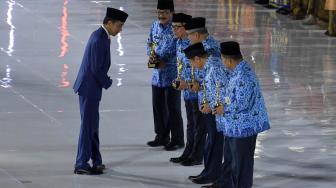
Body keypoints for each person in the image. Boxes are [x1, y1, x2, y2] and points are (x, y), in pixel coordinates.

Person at [73, 7, 128, 175]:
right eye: (119, 25)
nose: (120, 29)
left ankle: (96, 160)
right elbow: (96, 68)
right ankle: (81, 163)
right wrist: (107, 82)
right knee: (88, 127)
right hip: (89, 88)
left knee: (93, 126)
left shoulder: (103, 36)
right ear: (109, 23)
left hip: (91, 88)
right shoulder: (99, 39)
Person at [212, 41, 270, 188]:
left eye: (223, 59)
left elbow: (241, 104)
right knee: (233, 162)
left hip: (244, 128)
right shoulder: (237, 71)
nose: (222, 62)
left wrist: (222, 108)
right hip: (235, 126)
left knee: (241, 166)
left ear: (229, 60)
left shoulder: (243, 75)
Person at [184, 18, 224, 184]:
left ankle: (212, 173)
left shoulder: (211, 50)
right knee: (210, 139)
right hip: (205, 99)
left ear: (198, 34)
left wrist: (199, 87)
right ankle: (208, 171)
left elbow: (217, 83)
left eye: (190, 36)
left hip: (213, 104)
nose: (188, 39)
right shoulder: (204, 47)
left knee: (214, 139)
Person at [146, 0, 185, 151]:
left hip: (172, 75)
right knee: (158, 106)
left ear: (171, 13)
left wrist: (166, 63)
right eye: (159, 12)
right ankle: (161, 135)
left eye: (165, 13)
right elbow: (149, 43)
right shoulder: (155, 25)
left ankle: (177, 139)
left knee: (173, 108)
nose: (161, 15)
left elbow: (181, 52)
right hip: (157, 76)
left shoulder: (176, 29)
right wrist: (151, 56)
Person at [169, 13, 206, 166]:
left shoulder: (197, 45)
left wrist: (192, 84)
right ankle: (189, 151)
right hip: (186, 91)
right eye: (173, 27)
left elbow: (203, 70)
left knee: (199, 125)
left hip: (197, 92)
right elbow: (181, 66)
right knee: (191, 124)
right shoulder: (179, 43)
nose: (174, 31)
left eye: (177, 27)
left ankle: (197, 155)